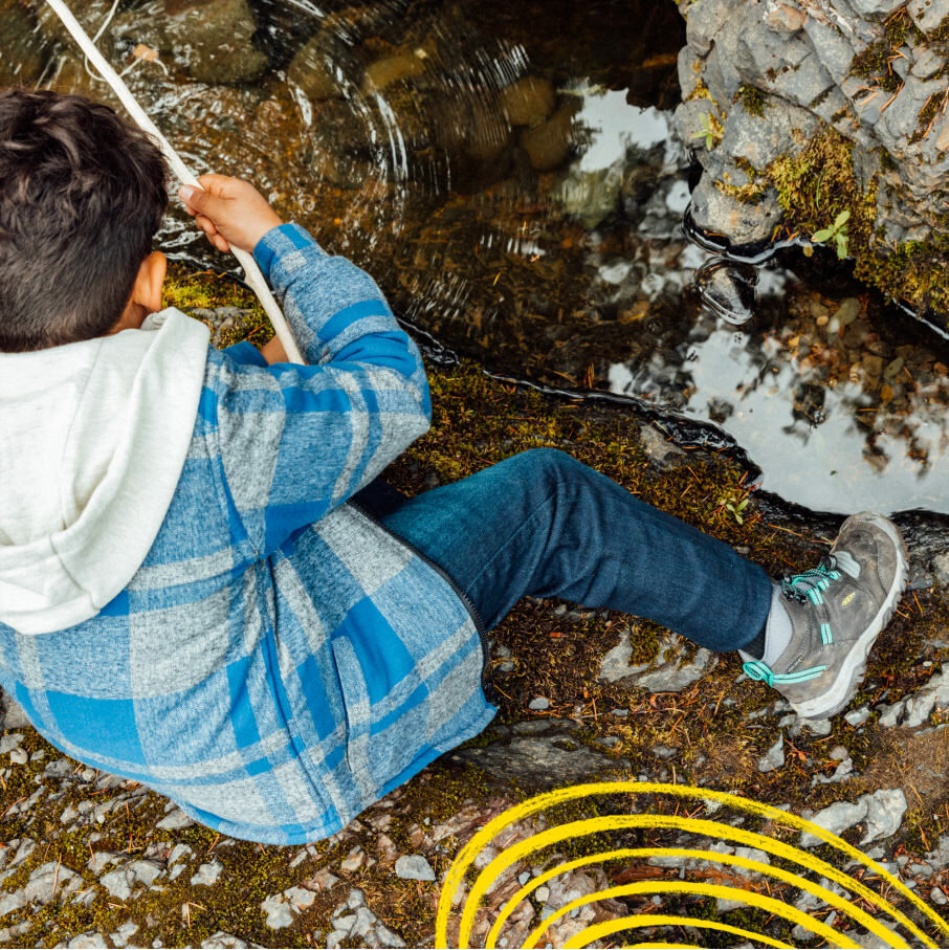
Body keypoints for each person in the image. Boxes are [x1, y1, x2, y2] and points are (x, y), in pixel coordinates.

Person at [0, 88, 907, 845]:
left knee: (296, 445)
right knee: (548, 497)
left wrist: (243, 380)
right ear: (153, 282)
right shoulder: (213, 429)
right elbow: (392, 392)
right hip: (295, 749)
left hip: (176, 748)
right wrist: (281, 244)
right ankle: (796, 644)